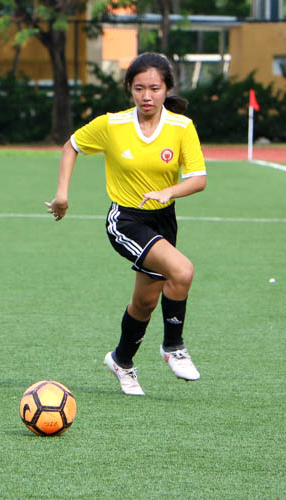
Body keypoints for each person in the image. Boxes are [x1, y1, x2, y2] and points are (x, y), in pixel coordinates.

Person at [46, 52, 206, 396]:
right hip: (126, 219)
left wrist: (168, 191)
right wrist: (62, 194)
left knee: (145, 302)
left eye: (154, 88)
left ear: (167, 89)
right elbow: (71, 145)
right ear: (129, 89)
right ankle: (173, 346)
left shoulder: (181, 127)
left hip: (164, 219)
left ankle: (121, 361)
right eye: (138, 89)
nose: (146, 96)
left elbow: (198, 178)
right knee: (183, 271)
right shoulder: (112, 125)